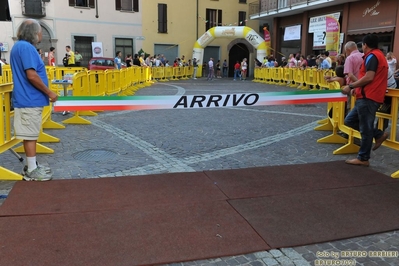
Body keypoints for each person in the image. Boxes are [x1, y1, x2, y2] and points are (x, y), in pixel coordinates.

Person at [10, 19, 58, 181]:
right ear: (33, 33)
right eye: (39, 32)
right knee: (30, 135)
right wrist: (49, 92)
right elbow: (32, 75)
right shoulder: (26, 48)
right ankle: (32, 170)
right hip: (29, 99)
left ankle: (32, 166)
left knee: (30, 134)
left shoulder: (19, 47)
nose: (41, 35)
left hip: (28, 99)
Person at [341, 34, 389, 167]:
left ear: (365, 45)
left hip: (369, 96)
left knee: (365, 128)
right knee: (350, 120)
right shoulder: (377, 56)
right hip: (367, 96)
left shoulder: (373, 56)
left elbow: (369, 77)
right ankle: (378, 135)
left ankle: (363, 158)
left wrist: (351, 86)